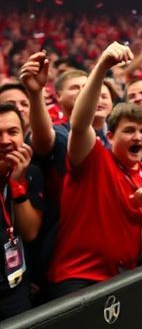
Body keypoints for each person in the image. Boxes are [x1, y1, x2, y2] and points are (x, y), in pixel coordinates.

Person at [47, 42, 142, 299]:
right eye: (129, 131)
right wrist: (103, 65)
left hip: (125, 278)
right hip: (78, 281)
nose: (138, 137)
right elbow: (80, 124)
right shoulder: (94, 159)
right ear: (111, 135)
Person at [0, 102, 44, 320]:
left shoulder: (31, 173)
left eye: (12, 132)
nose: (5, 141)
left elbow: (30, 232)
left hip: (15, 285)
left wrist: (18, 186)